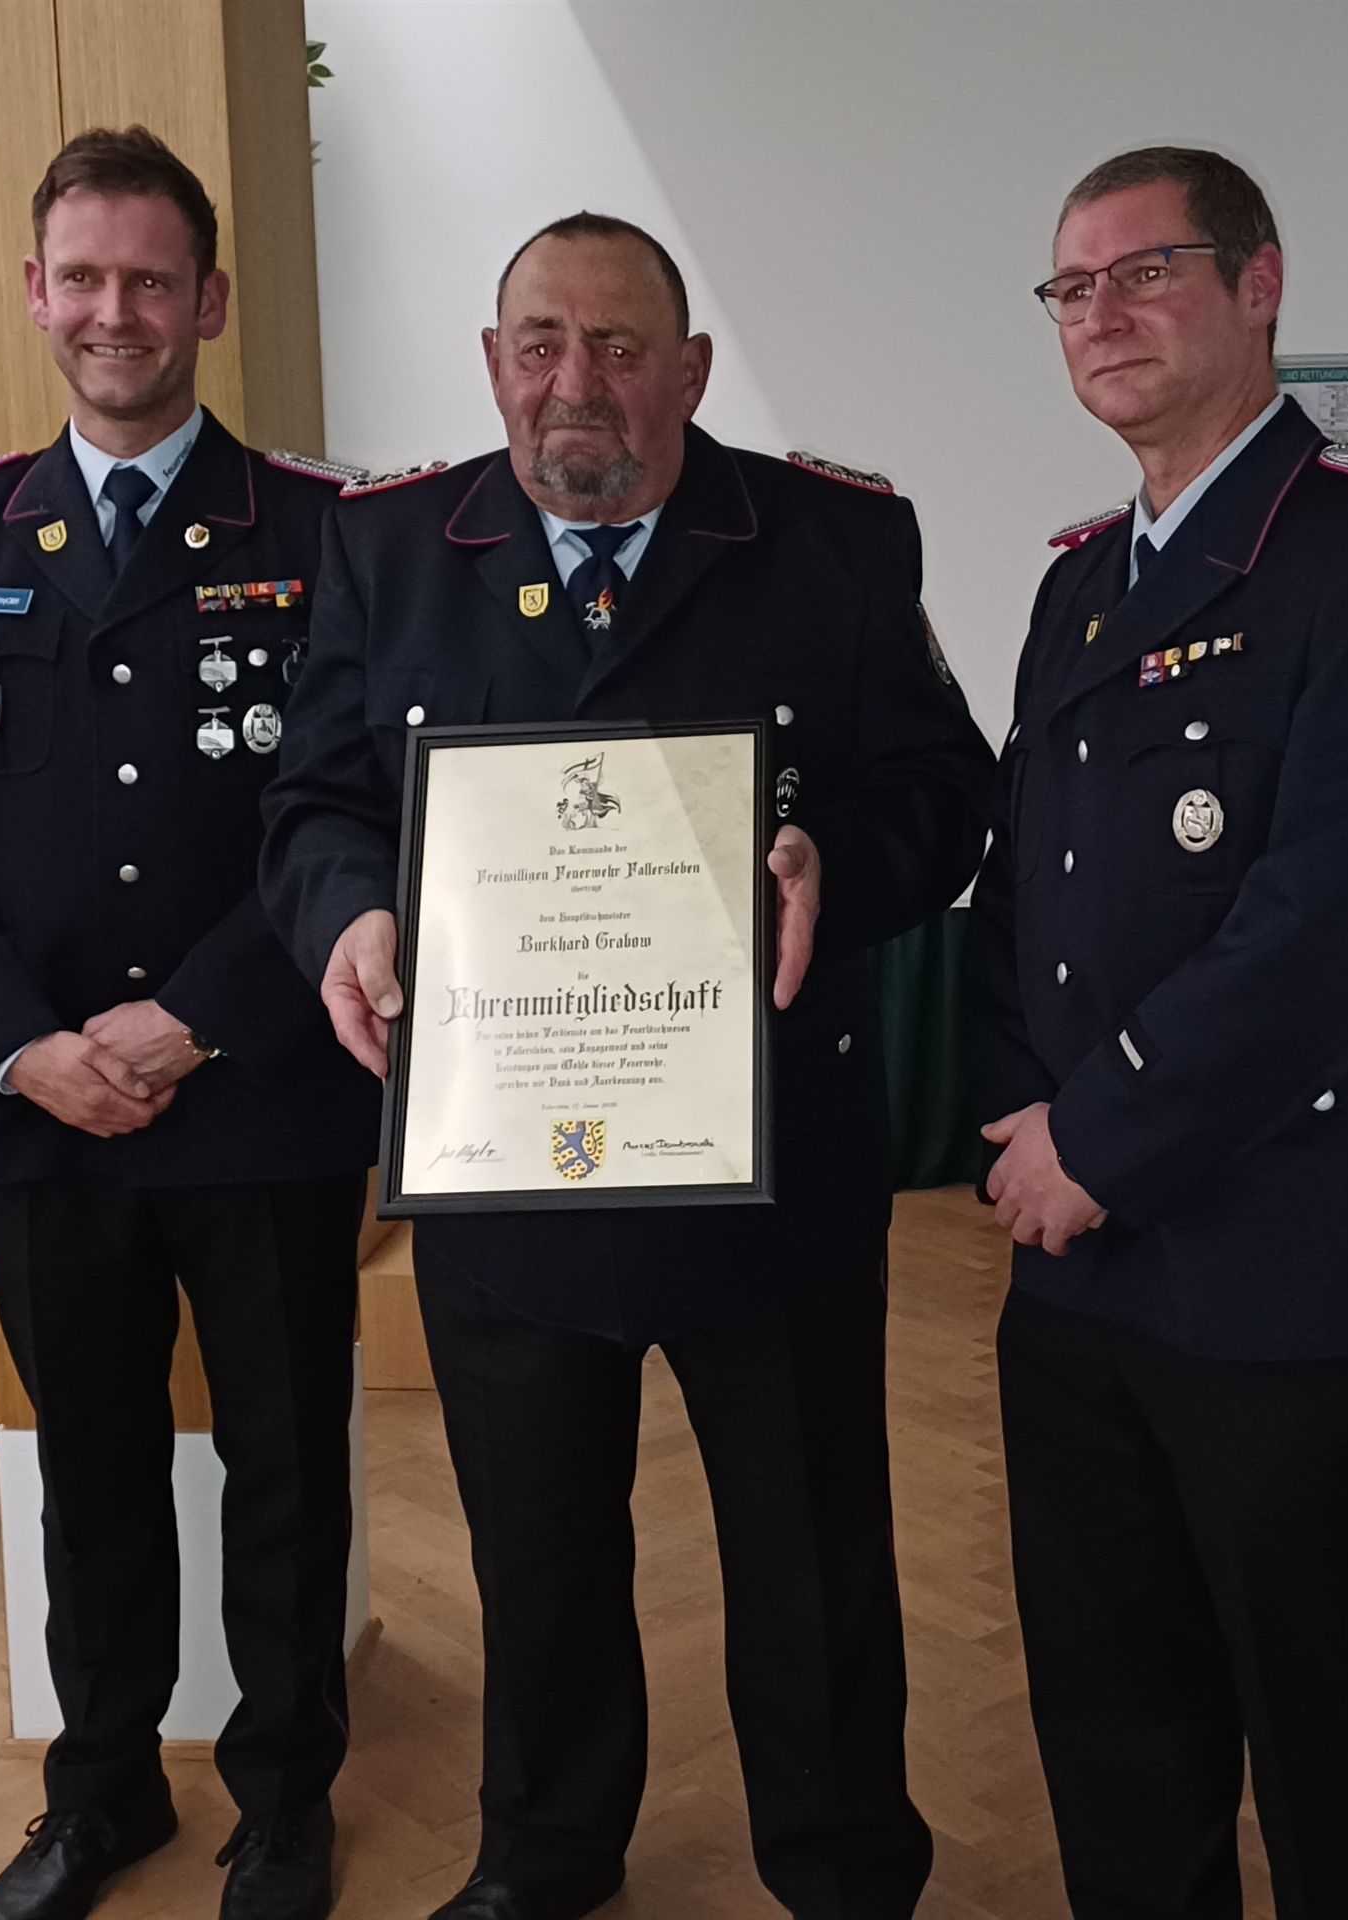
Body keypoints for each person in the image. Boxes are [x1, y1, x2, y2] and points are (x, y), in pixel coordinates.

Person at [259, 212, 993, 1920]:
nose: (572, 380)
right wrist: (349, 915)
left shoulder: (831, 539)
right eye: (538, 342)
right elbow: (314, 800)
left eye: (615, 345)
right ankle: (545, 1854)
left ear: (690, 371)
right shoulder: (389, 545)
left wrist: (827, 860)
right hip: (504, 1159)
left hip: (769, 1162)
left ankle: (840, 1865)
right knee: (535, 1548)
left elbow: (944, 793)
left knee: (812, 1551)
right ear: (492, 362)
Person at [972, 146, 1348, 1919]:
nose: (1099, 315)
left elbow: (1336, 911)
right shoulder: (1079, 581)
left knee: (1326, 1716)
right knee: (1113, 1714)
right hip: (1076, 1263)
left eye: (1144, 272)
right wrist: (1016, 1123)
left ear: (1256, 284)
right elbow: (1024, 882)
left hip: (1287, 1259)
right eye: (1071, 288)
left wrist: (1096, 1137)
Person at [0, 127, 379, 1920]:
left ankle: (284, 1801)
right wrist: (23, 1047)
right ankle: (101, 1794)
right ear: (34, 292)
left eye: (151, 279)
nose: (114, 312)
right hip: (44, 1110)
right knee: (86, 1468)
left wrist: (189, 1022)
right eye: (81, 277)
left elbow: (347, 802)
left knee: (285, 1466)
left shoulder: (319, 529)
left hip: (261, 1096)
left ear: (208, 301)